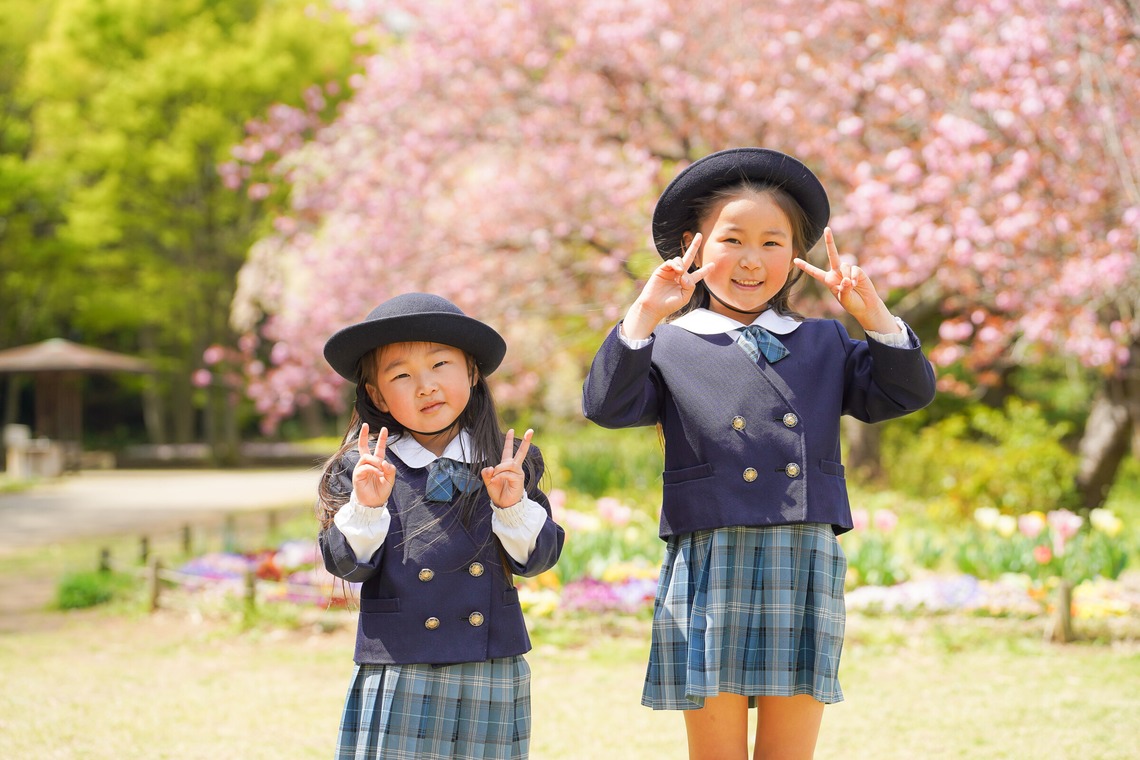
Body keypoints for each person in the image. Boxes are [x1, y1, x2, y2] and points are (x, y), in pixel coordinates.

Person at [582, 147, 937, 760]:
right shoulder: (665, 343)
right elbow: (607, 406)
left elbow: (905, 392)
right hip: (708, 552)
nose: (752, 260)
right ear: (695, 247)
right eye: (732, 239)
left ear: (796, 257)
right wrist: (644, 312)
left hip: (801, 552)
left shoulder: (825, 339)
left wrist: (871, 314)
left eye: (773, 243)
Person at [318, 292, 564, 760]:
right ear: (376, 395)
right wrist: (368, 505)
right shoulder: (363, 468)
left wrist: (511, 507)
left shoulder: (510, 463)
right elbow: (347, 566)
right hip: (400, 664)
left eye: (440, 365)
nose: (425, 386)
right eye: (401, 375)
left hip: (490, 661)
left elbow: (537, 560)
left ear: (472, 372)